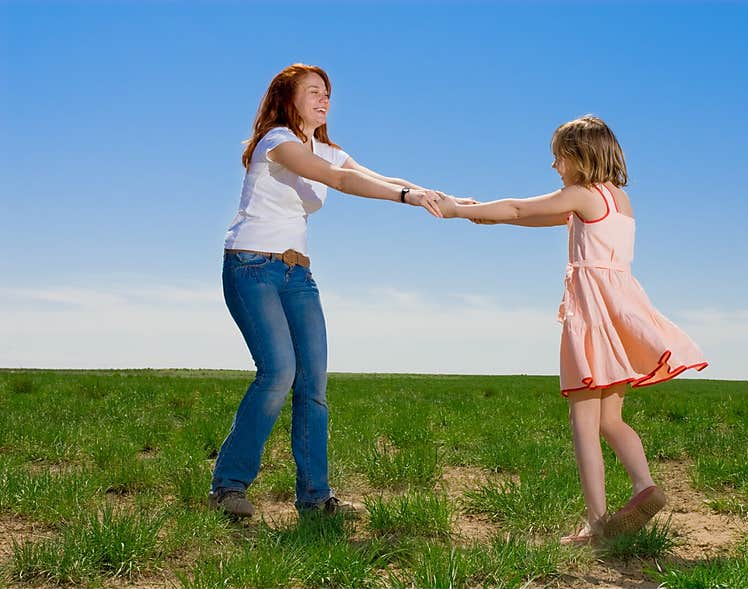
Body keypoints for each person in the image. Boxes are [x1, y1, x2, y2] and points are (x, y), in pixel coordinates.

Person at [437, 115, 708, 544]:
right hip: (620, 316)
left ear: (579, 157)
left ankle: (596, 523)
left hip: (592, 317)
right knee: (610, 419)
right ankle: (644, 486)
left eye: (557, 158)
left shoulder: (580, 195)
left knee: (583, 421)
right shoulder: (617, 200)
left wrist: (458, 211)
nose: (554, 167)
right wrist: (477, 215)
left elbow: (519, 207)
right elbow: (526, 216)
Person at [211, 63, 464, 518]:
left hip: (298, 275)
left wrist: (430, 193)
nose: (324, 99)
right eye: (313, 92)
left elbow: (372, 174)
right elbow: (342, 182)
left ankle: (315, 499)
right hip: (251, 267)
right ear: (288, 99)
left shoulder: (323, 147)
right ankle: (228, 487)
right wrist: (407, 198)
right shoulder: (277, 142)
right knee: (278, 372)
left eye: (327, 93)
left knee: (314, 386)